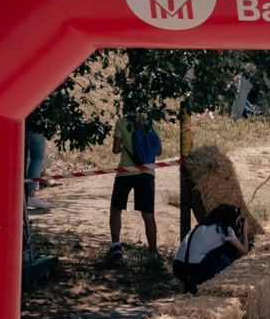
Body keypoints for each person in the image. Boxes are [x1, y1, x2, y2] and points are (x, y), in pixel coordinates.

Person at [106, 111, 162, 263]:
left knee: (116, 209)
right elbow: (159, 151)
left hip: (125, 172)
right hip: (147, 173)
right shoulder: (152, 124)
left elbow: (116, 149)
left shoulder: (122, 122)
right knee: (148, 214)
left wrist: (127, 145)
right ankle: (153, 253)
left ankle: (116, 245)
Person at [172, 203, 247, 293]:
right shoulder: (224, 229)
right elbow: (244, 251)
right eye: (236, 220)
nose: (236, 223)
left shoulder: (202, 226)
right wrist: (245, 230)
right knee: (223, 252)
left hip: (178, 267)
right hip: (196, 269)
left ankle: (186, 283)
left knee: (221, 248)